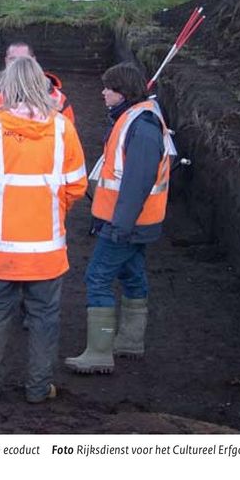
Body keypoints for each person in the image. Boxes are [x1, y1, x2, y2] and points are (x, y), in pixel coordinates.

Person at [0, 56, 88, 402]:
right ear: (41, 85)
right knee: (44, 320)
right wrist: (53, 210)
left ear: (6, 87)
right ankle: (37, 390)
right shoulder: (64, 129)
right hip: (47, 254)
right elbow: (77, 186)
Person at [65, 62, 171, 374]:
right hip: (137, 223)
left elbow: (136, 182)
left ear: (122, 92)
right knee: (132, 274)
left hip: (125, 225)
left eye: (108, 88)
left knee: (97, 277)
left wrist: (119, 226)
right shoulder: (138, 121)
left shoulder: (140, 127)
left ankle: (99, 353)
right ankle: (130, 341)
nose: (103, 92)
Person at [0, 42, 75, 150]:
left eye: (24, 60)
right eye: (13, 59)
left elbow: (69, 141)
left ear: (34, 61)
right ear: (6, 61)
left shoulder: (59, 99)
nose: (18, 65)